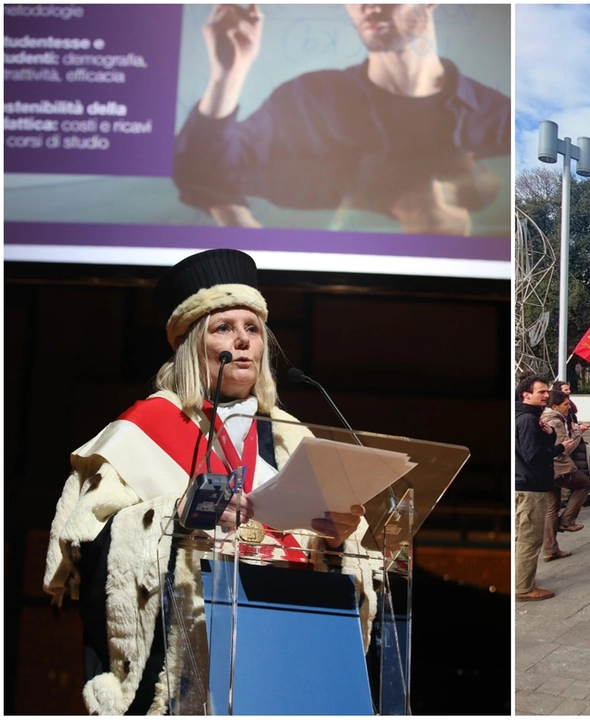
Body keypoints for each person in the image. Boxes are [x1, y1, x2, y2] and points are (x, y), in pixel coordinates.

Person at [42, 249, 368, 714]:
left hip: (286, 651)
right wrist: (173, 516)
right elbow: (88, 550)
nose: (243, 341)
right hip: (185, 665)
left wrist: (334, 542)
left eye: (252, 329)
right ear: (191, 345)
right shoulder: (141, 429)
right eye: (224, 328)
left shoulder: (292, 435)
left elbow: (330, 552)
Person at [173, 4, 509, 235]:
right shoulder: (305, 100)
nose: (368, 5)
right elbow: (205, 175)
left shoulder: (498, 120)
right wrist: (227, 75)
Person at [515, 375, 578, 601]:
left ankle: (522, 578)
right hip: (530, 485)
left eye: (546, 391)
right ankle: (523, 587)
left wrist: (549, 434)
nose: (546, 395)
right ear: (526, 394)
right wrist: (560, 446)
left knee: (524, 535)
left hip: (525, 482)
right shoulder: (527, 420)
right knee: (529, 538)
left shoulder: (525, 416)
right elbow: (533, 455)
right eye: (541, 392)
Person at [541, 390, 590, 560]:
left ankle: (550, 549)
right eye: (565, 405)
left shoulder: (543, 418)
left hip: (547, 469)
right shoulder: (555, 421)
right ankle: (567, 520)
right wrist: (577, 432)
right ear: (555, 406)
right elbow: (564, 449)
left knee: (551, 509)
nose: (568, 408)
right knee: (585, 484)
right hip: (560, 468)